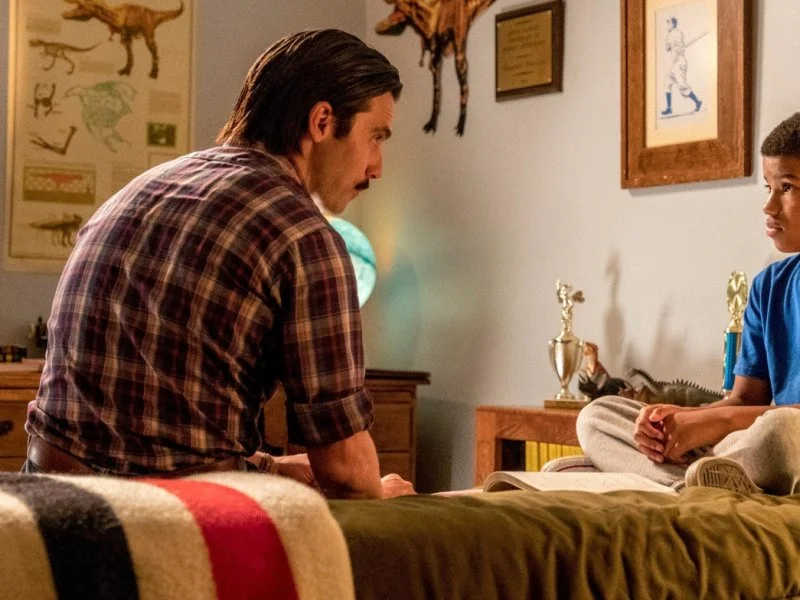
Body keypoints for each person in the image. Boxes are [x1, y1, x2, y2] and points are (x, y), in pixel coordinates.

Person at [24, 29, 414, 499]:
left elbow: (145, 426)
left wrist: (267, 467)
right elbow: (347, 476)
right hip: (170, 519)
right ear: (322, 121)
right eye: (375, 137)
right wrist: (387, 502)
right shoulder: (305, 236)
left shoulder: (139, 190)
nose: (377, 167)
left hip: (48, 502)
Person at [578, 112, 800, 495]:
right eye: (767, 187)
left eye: (786, 187)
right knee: (598, 416)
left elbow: (754, 420)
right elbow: (744, 399)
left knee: (778, 432)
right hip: (748, 444)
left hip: (783, 445)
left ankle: (690, 479)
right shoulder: (769, 287)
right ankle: (701, 481)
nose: (769, 206)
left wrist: (718, 423)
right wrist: (677, 418)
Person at [661, 17, 702, 116]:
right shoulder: (669, 35)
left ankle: (698, 102)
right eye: (667, 23)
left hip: (680, 62)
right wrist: (670, 46)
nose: (667, 25)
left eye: (669, 23)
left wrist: (678, 48)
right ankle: (669, 108)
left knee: (683, 87)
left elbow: (681, 47)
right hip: (675, 64)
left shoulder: (678, 33)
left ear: (673, 24)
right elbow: (667, 48)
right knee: (667, 81)